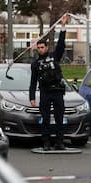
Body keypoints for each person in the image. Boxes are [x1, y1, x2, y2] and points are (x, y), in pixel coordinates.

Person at [29, 15, 68, 151]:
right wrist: (32, 97)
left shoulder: (54, 56)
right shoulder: (35, 64)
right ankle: (46, 143)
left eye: (42, 47)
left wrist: (63, 27)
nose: (40, 49)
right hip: (45, 93)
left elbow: (61, 45)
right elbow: (33, 81)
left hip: (57, 91)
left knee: (59, 118)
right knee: (45, 119)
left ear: (46, 47)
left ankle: (59, 142)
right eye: (38, 47)